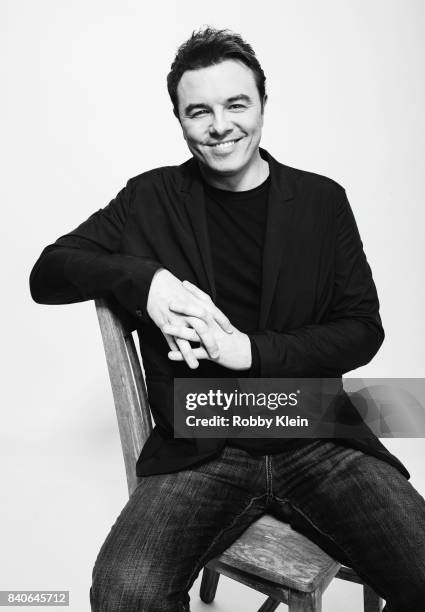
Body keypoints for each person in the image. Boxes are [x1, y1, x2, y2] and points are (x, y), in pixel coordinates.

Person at [30, 26, 425, 612]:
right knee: (124, 593)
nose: (220, 125)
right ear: (180, 120)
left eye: (236, 104)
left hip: (314, 429)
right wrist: (146, 280)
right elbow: (48, 273)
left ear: (263, 103)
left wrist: (252, 353)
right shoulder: (149, 198)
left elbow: (362, 330)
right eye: (199, 112)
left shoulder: (322, 202)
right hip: (200, 444)